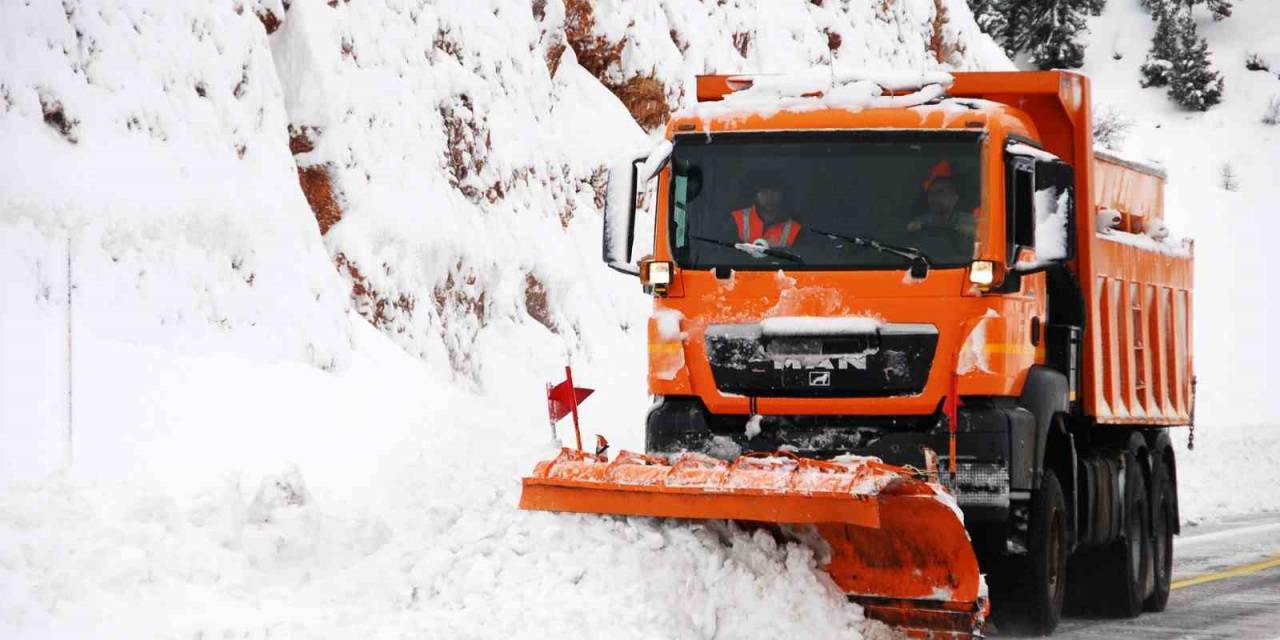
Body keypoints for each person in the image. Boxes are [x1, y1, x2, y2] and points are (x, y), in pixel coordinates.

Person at [730, 169, 803, 249]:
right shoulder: (737, 219)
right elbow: (726, 253)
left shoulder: (794, 229)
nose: (769, 197)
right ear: (755, 195)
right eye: (764, 191)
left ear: (782, 195)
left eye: (774, 191)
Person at [906, 160, 976, 238]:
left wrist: (972, 233)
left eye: (940, 192)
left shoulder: (969, 221)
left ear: (954, 199)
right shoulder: (920, 222)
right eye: (931, 193)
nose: (934, 197)